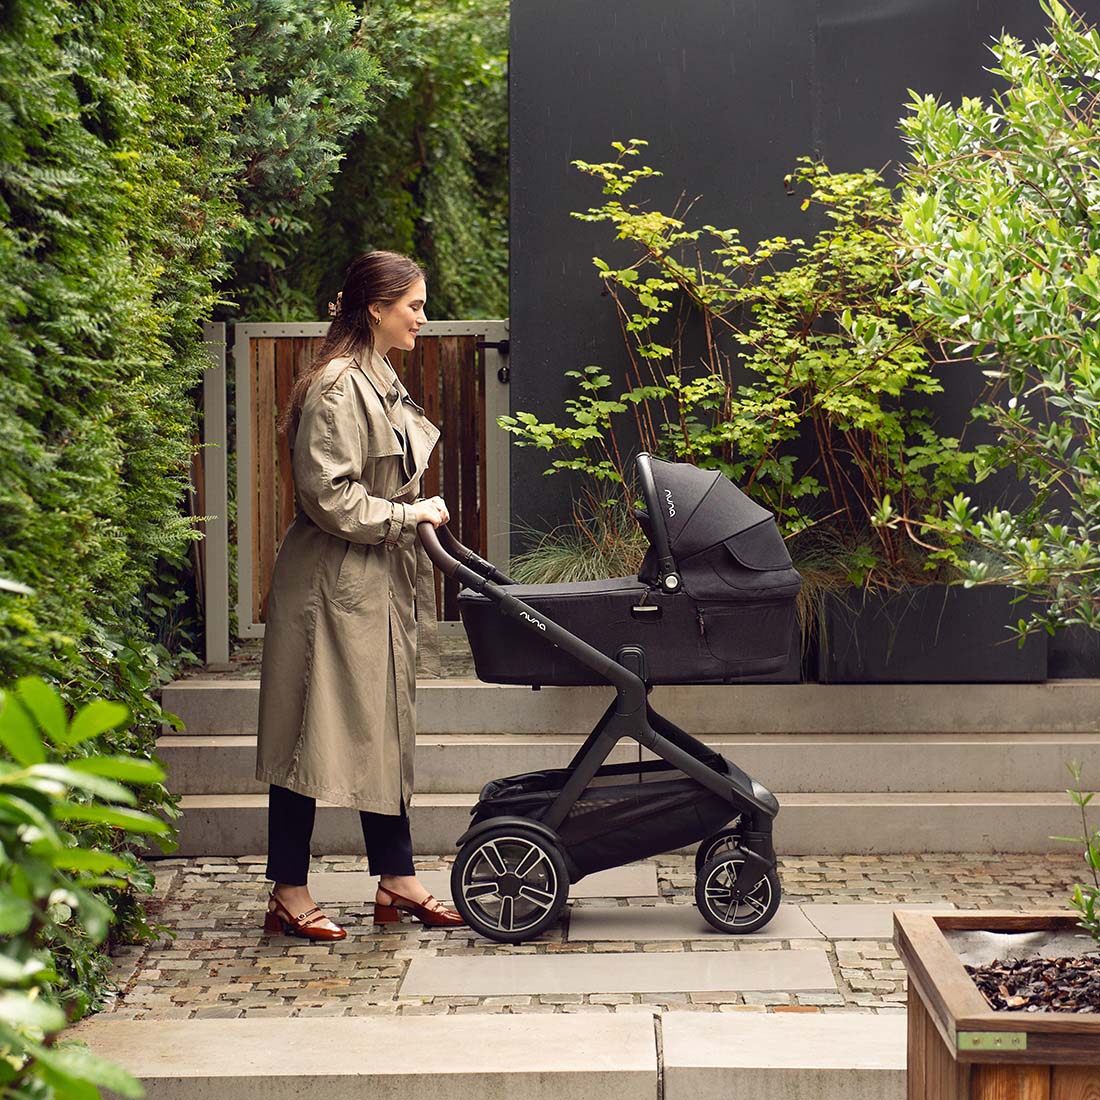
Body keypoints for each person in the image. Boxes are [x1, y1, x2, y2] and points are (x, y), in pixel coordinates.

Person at [255, 250, 464, 940]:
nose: (423, 319)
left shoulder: (378, 378)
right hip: (331, 585)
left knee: (381, 726)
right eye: (414, 306)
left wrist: (407, 519)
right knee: (308, 728)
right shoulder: (340, 388)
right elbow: (330, 495)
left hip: (370, 580)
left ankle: (396, 877)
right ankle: (288, 889)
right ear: (376, 309)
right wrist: (410, 516)